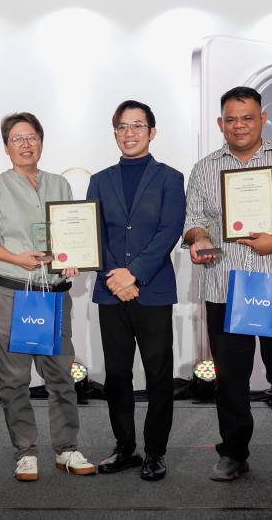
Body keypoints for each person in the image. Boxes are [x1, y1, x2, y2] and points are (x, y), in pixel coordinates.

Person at [183, 86, 272, 482]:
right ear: (220, 123)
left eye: (247, 117)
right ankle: (233, 451)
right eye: (231, 119)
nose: (239, 125)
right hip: (225, 286)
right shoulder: (205, 167)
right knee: (230, 376)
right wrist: (200, 238)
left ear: (263, 119)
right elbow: (192, 220)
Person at [0, 112, 96, 481]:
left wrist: (73, 261)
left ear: (41, 142)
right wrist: (17, 259)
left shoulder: (60, 185)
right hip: (11, 291)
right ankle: (25, 452)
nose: (25, 144)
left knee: (61, 375)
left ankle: (67, 448)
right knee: (13, 379)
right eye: (17, 138)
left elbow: (71, 236)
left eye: (31, 137)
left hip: (53, 294)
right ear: (6, 146)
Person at [86, 100, 185, 481]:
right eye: (122, 127)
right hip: (111, 292)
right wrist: (117, 276)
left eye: (137, 126)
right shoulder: (100, 179)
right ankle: (125, 447)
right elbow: (93, 233)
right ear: (115, 133)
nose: (129, 134)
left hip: (153, 290)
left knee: (159, 375)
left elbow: (169, 231)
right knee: (116, 375)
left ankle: (155, 451)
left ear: (152, 132)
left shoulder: (170, 178)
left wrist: (135, 275)